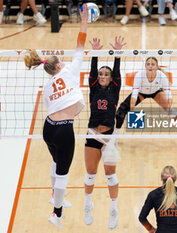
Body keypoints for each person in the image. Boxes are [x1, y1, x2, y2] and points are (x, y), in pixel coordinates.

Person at [23, 4, 88, 228]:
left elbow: (54, 105)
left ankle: (54, 196)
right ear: (59, 65)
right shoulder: (70, 69)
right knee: (63, 173)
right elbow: (81, 42)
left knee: (55, 162)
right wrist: (85, 19)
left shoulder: (48, 85)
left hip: (48, 129)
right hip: (63, 130)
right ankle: (56, 214)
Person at [83, 35, 126, 229]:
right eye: (100, 74)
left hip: (108, 137)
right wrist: (95, 53)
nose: (102, 76)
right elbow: (92, 71)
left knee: (110, 176)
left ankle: (114, 209)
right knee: (90, 174)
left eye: (105, 74)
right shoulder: (93, 87)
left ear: (111, 78)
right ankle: (87, 205)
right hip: (92, 135)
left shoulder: (115, 88)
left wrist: (117, 53)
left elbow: (117, 72)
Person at [115, 56, 177, 144]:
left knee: (172, 111)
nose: (150, 66)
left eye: (152, 64)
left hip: (156, 92)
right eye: (148, 64)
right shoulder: (139, 75)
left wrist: (169, 107)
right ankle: (116, 134)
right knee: (122, 108)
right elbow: (134, 94)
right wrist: (132, 110)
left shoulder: (162, 76)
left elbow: (168, 94)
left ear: (157, 66)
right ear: (145, 66)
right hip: (141, 93)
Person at [139, 165, 177, 233]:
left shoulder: (153, 195)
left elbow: (142, 218)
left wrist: (150, 229)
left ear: (161, 178)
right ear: (175, 179)